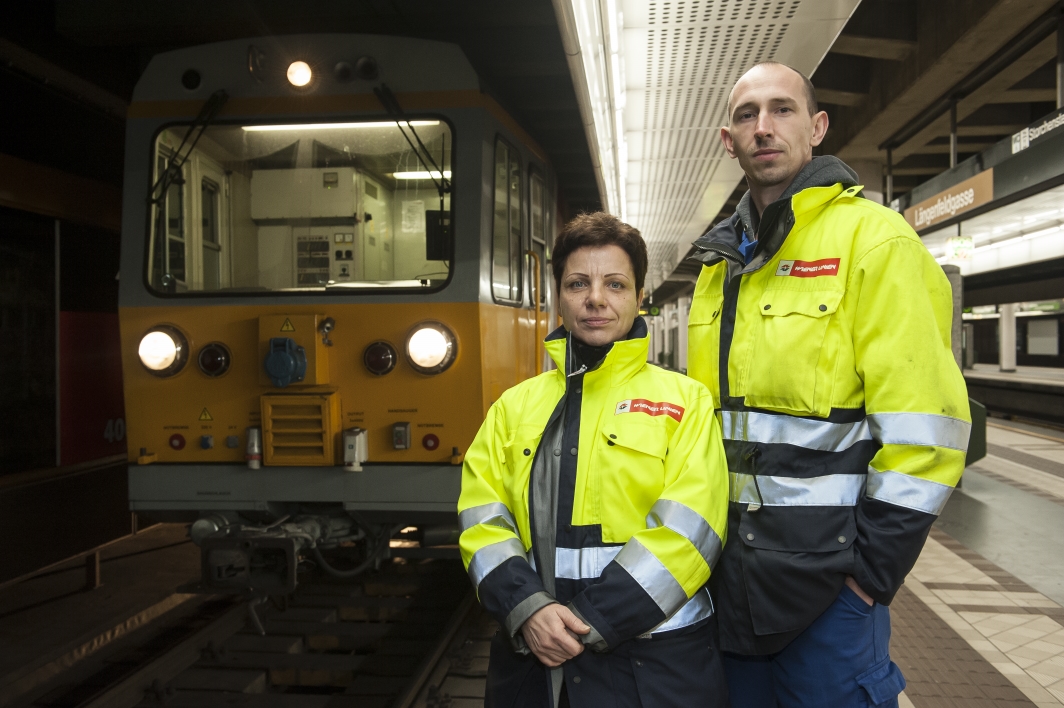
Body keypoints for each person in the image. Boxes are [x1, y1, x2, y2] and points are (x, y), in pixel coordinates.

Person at [686, 61, 971, 707]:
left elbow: (929, 432)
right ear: (727, 141)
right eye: (746, 114)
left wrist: (869, 577)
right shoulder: (719, 266)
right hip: (729, 583)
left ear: (816, 128)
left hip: (829, 591)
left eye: (782, 109)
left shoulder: (875, 242)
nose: (764, 127)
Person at [458, 212, 730, 708]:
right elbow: (482, 524)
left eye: (615, 284)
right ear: (558, 295)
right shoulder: (512, 407)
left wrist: (588, 622)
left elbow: (692, 531)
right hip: (535, 666)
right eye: (578, 283)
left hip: (654, 665)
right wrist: (528, 609)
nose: (596, 299)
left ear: (639, 295)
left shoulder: (686, 402)